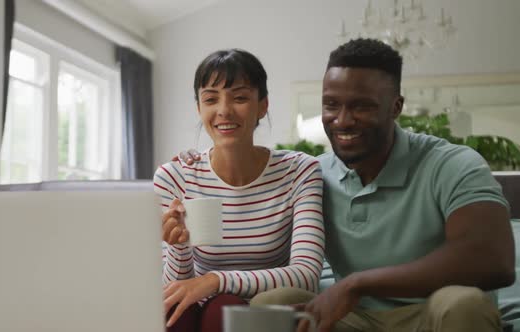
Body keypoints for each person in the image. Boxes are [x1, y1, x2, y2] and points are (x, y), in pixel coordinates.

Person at [180, 39, 516, 332]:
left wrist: (358, 283)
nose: (342, 120)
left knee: (462, 302)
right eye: (331, 105)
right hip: (354, 317)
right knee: (273, 302)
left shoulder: (452, 163)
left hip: (431, 314)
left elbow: (492, 260)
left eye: (361, 106)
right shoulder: (312, 173)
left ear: (396, 107)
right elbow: (258, 173)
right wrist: (202, 162)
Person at [154, 48, 325, 332]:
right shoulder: (175, 176)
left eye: (240, 97)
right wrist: (179, 245)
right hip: (196, 306)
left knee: (224, 308)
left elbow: (306, 276)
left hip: (264, 310)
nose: (223, 110)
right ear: (199, 108)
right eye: (210, 99)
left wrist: (216, 280)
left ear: (262, 105)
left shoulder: (300, 171)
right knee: (171, 310)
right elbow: (175, 286)